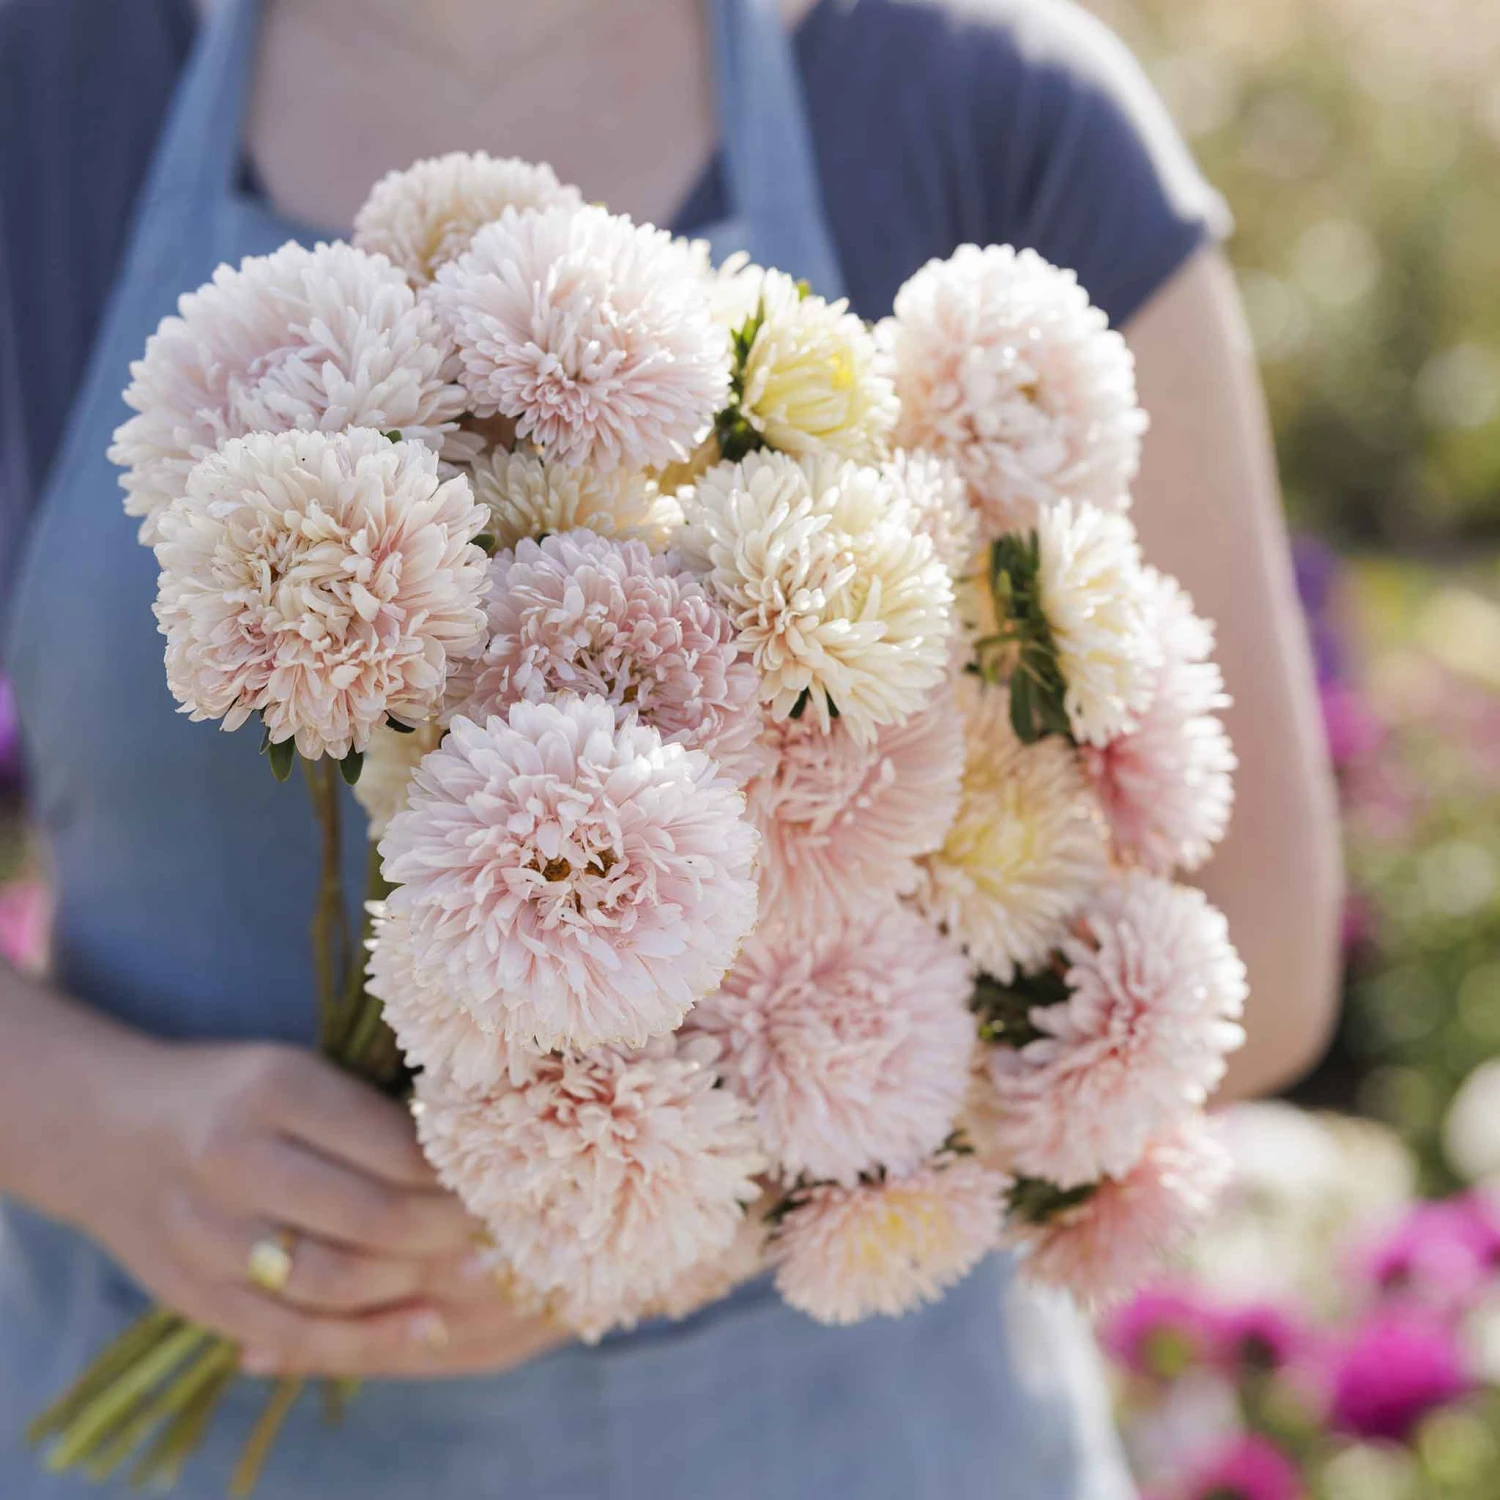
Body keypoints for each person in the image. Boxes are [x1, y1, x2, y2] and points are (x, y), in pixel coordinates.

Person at [0, 0, 1343, 1495]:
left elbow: (1265, 952)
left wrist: (660, 1203)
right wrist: (95, 1129)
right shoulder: (41, 96)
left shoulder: (997, 108)